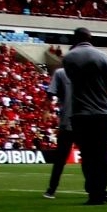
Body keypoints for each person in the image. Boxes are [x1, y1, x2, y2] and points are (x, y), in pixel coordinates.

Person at [61, 27, 107, 205]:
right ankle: (100, 191)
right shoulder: (100, 55)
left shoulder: (68, 58)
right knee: (101, 155)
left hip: (79, 113)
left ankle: (92, 192)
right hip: (101, 113)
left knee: (87, 155)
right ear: (90, 38)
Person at [43, 65, 74, 199]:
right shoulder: (62, 73)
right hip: (70, 122)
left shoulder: (62, 73)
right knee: (61, 158)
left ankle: (51, 189)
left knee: (92, 158)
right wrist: (46, 110)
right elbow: (50, 93)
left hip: (80, 121)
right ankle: (51, 188)